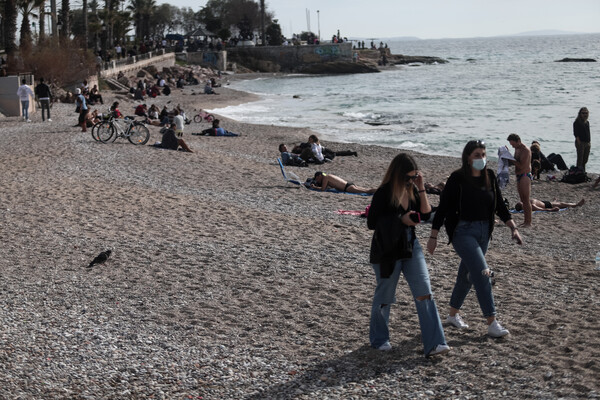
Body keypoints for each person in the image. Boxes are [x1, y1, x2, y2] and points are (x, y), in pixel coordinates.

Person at [427, 140, 522, 338]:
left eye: (483, 155)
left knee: (466, 275)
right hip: (462, 232)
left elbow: (499, 206)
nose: (481, 158)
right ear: (468, 157)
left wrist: (513, 227)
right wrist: (434, 236)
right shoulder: (457, 178)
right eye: (477, 155)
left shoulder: (489, 176)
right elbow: (443, 208)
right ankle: (492, 322)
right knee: (482, 273)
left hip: (484, 232)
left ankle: (453, 315)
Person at [367, 153, 450, 357]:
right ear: (397, 174)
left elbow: (426, 213)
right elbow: (371, 223)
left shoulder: (412, 189)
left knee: (424, 292)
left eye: (414, 177)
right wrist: (400, 219)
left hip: (411, 246)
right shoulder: (384, 192)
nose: (411, 180)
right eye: (408, 177)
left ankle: (435, 343)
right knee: (385, 296)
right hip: (387, 250)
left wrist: (421, 187)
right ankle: (379, 339)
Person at [508, 133, 532, 227]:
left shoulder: (525, 150)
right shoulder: (517, 149)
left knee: (526, 199)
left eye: (513, 144)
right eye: (511, 145)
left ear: (518, 141)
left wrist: (511, 160)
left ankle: (528, 222)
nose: (513, 146)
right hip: (519, 175)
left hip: (525, 175)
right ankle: (526, 221)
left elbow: (521, 165)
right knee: (522, 199)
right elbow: (515, 161)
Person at [311, 172, 376, 194]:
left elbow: (323, 189)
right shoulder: (329, 176)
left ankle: (381, 190)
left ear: (320, 176)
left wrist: (314, 187)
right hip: (349, 184)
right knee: (367, 189)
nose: (317, 180)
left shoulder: (325, 178)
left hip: (347, 188)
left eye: (317, 178)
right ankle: (379, 189)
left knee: (367, 191)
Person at [573, 107, 591, 172]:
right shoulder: (577, 122)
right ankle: (578, 172)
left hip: (587, 142)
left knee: (585, 159)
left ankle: (583, 172)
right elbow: (576, 134)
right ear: (580, 114)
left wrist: (589, 142)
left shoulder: (587, 122)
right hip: (581, 142)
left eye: (586, 113)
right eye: (583, 113)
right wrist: (579, 143)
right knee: (580, 159)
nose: (585, 115)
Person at [515, 198, 585, 212]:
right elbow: (541, 209)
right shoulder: (531, 206)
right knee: (562, 204)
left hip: (544, 202)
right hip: (547, 205)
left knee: (560, 203)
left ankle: (554, 201)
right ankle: (577, 205)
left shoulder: (527, 203)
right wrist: (552, 210)